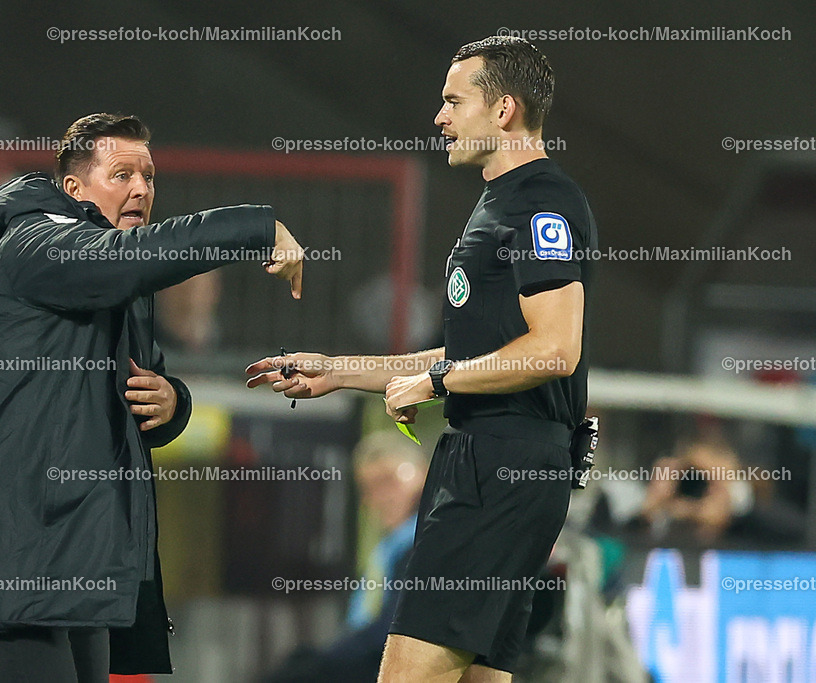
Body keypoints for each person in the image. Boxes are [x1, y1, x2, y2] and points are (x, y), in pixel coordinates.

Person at [248, 36, 598, 683]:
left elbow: (555, 348)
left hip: (499, 469)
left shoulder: (540, 202)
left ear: (503, 110)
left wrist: (437, 381)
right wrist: (339, 370)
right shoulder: (501, 201)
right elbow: (478, 353)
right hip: (501, 468)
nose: (440, 117)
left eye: (454, 101)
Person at [0, 113, 304, 682]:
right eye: (122, 175)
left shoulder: (116, 277)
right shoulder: (37, 243)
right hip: (18, 549)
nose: (141, 189)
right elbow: (134, 258)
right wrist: (257, 227)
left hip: (78, 552)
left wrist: (172, 403)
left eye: (148, 176)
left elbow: (143, 390)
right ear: (73, 188)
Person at [264, 431, 428, 683]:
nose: (382, 496)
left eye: (389, 481)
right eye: (369, 488)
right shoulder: (390, 549)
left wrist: (317, 666)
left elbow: (387, 634)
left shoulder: (426, 544)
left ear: (423, 474)